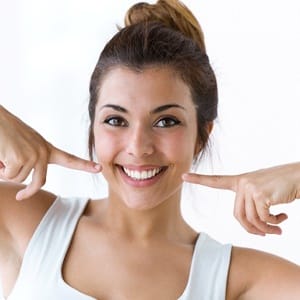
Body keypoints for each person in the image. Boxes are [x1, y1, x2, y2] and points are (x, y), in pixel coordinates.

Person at [0, 0, 299, 299]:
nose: (138, 147)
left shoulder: (238, 280)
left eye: (166, 121)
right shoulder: (23, 222)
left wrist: (296, 177)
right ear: (93, 126)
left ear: (202, 135)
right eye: (116, 120)